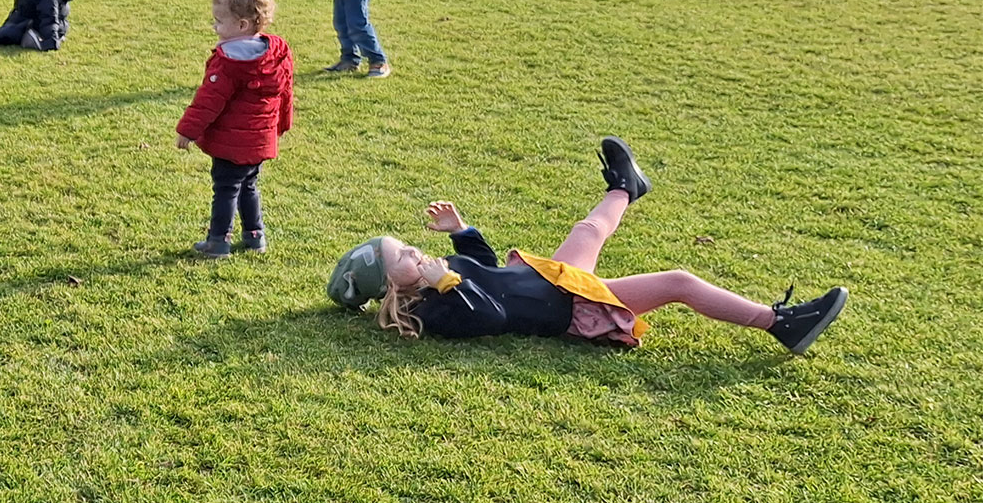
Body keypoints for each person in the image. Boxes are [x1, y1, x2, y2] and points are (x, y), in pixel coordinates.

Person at [327, 138, 849, 354]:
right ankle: (781, 324)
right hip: (570, 306)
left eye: (409, 248)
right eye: (404, 260)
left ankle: (625, 187)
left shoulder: (443, 271)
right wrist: (448, 284)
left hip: (552, 279)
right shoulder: (436, 310)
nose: (417, 255)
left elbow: (484, 268)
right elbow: (489, 319)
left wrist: (462, 233)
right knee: (678, 283)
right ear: (390, 287)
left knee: (587, 231)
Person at [175, 0, 294, 256]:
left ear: (241, 25)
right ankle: (255, 235)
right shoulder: (276, 53)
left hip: (232, 143)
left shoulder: (228, 63)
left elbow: (208, 102)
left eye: (219, 22)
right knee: (249, 185)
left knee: (226, 188)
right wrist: (282, 125)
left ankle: (218, 240)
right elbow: (285, 93)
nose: (215, 27)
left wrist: (187, 131)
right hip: (260, 140)